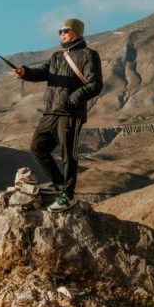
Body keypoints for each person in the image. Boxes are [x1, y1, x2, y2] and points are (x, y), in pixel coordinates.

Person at [14, 18, 103, 212]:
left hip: (70, 113)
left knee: (68, 156)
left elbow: (95, 84)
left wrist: (73, 98)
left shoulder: (89, 55)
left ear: (77, 32)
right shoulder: (56, 57)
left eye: (65, 30)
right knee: (37, 147)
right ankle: (60, 186)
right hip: (51, 112)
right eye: (60, 31)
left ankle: (68, 196)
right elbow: (41, 72)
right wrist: (24, 73)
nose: (61, 33)